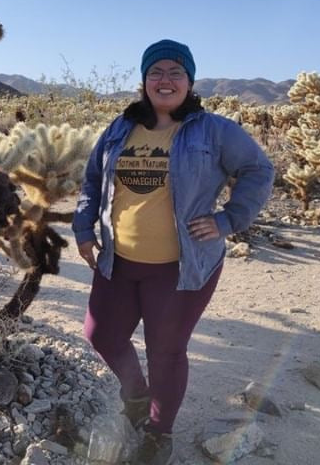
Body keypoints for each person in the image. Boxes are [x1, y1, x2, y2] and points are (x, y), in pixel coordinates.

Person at [72, 39, 274, 465]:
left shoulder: (213, 130)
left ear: (190, 81)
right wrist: (83, 227)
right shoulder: (120, 128)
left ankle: (158, 433)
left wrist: (228, 219)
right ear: (144, 81)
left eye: (175, 73)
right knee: (101, 334)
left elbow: (258, 169)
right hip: (119, 259)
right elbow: (92, 181)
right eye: (156, 72)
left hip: (180, 266)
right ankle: (136, 396)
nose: (165, 80)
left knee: (165, 350)